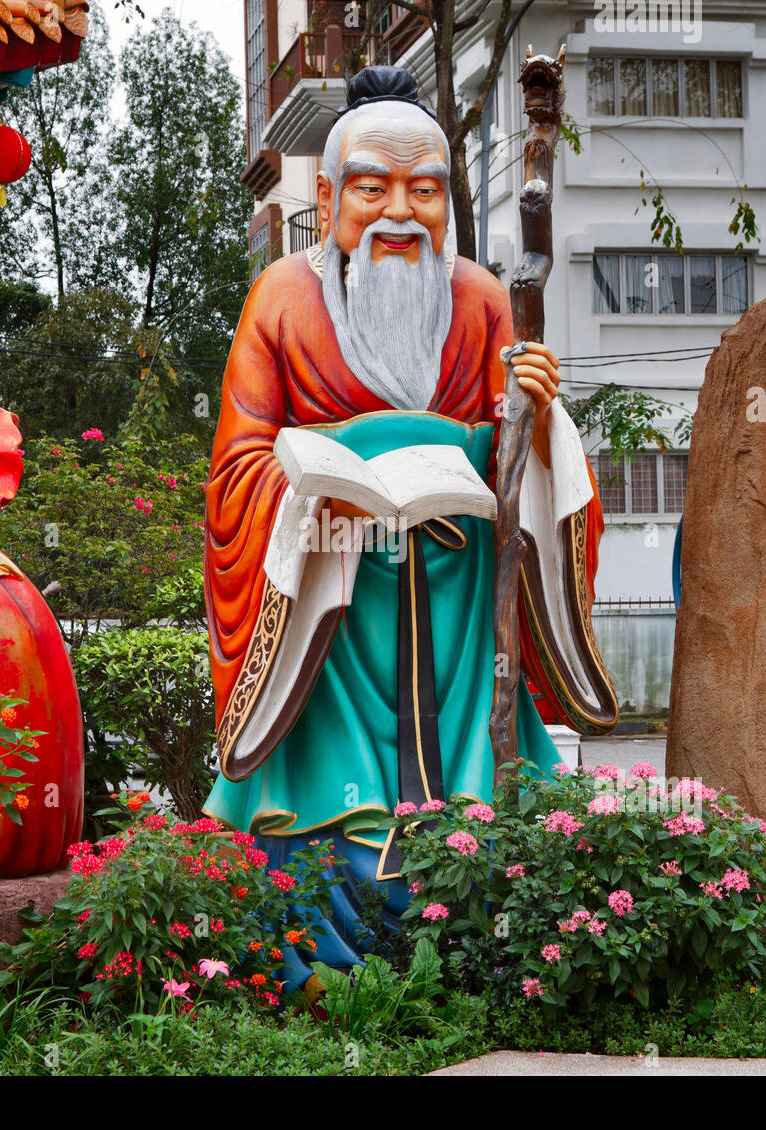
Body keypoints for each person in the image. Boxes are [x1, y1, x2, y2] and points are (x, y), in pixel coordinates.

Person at [202, 66, 617, 985]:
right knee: (318, 824)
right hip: (329, 601)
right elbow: (235, 471)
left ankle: (479, 943)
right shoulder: (278, 297)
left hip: (458, 600)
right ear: (328, 194)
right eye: (373, 187)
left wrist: (537, 419)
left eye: (424, 190)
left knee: (477, 796)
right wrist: (315, 488)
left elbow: (524, 462)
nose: (400, 212)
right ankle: (324, 961)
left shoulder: (481, 298)